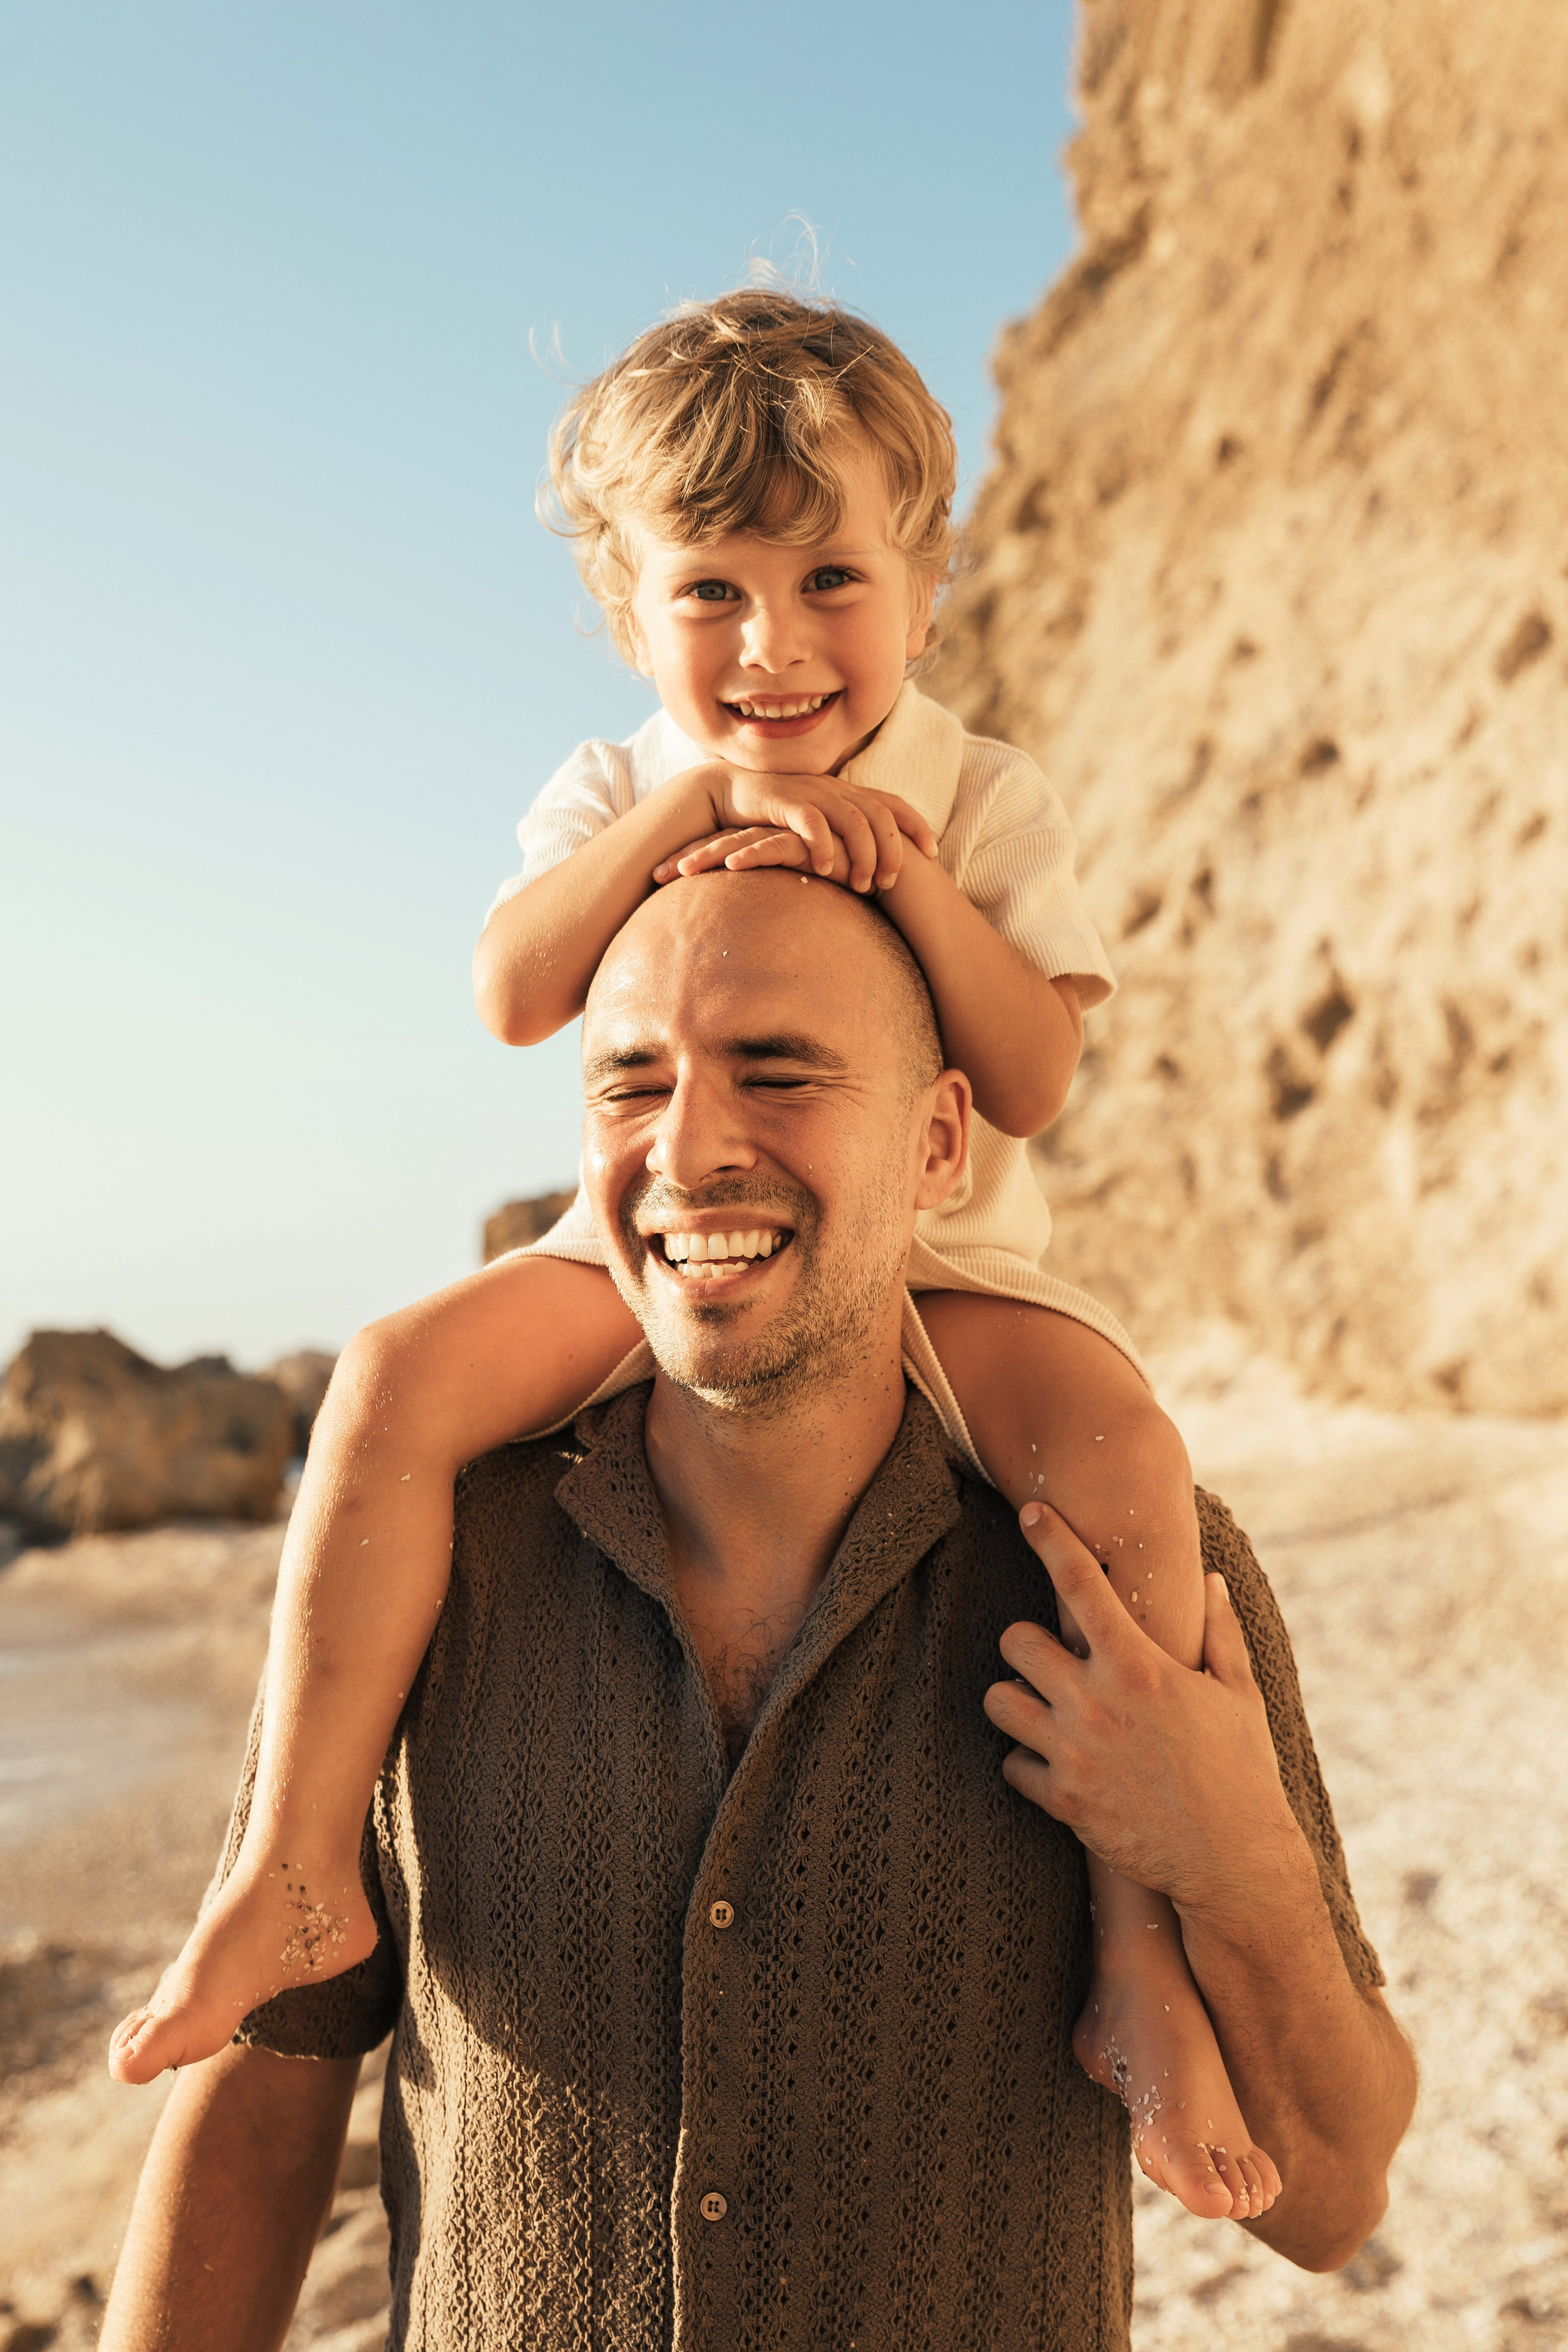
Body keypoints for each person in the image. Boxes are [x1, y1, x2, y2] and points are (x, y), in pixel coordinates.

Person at [114, 289, 1262, 2210]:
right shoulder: (616, 783)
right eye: (709, 593)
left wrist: (913, 884)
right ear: (630, 614)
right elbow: (511, 992)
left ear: (927, 587)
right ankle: (296, 1861)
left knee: (1126, 1455)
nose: (774, 645)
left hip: (947, 1271)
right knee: (391, 1381)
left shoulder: (983, 792)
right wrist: (677, 819)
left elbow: (1036, 1073)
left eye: (831, 581)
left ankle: (1138, 1957)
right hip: (646, 1262)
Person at [100, 869, 1415, 2352]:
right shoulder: (423, 1561)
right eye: (630, 1085)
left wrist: (1229, 1854)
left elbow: (1328, 2203)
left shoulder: (1132, 1579)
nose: (688, 1146)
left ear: (936, 1146)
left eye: (777, 1073)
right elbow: (259, 2100)